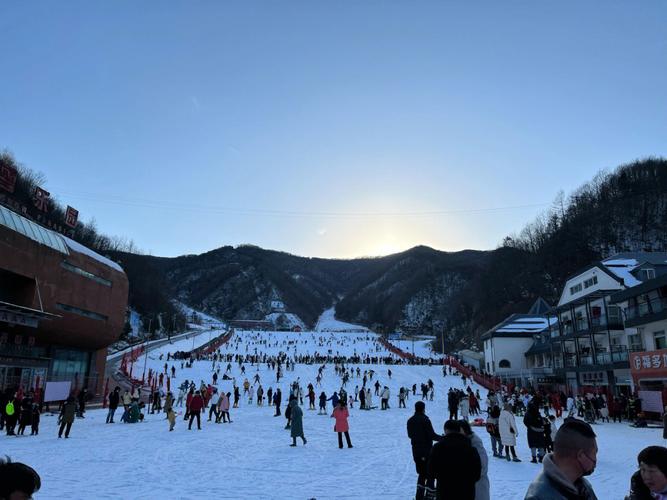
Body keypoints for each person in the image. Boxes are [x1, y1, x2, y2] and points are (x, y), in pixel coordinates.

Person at [524, 419, 598, 500]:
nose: (595, 459)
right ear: (580, 455)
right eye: (594, 453)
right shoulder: (538, 497)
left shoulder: (582, 487)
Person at [427, 420, 481, 500]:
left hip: (444, 493)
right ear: (459, 430)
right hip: (466, 493)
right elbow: (477, 474)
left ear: (445, 430)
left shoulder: (438, 448)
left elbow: (431, 471)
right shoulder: (470, 449)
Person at [407, 401, 442, 500]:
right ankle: (429, 496)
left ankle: (419, 495)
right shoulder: (425, 420)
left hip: (416, 452)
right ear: (423, 408)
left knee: (422, 474)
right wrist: (442, 438)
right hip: (426, 451)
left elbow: (410, 435)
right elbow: (431, 435)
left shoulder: (410, 420)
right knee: (430, 473)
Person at [460, 420, 490, 500]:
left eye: (459, 430)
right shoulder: (461, 443)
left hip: (478, 486)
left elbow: (483, 466)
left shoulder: (475, 443)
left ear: (465, 430)